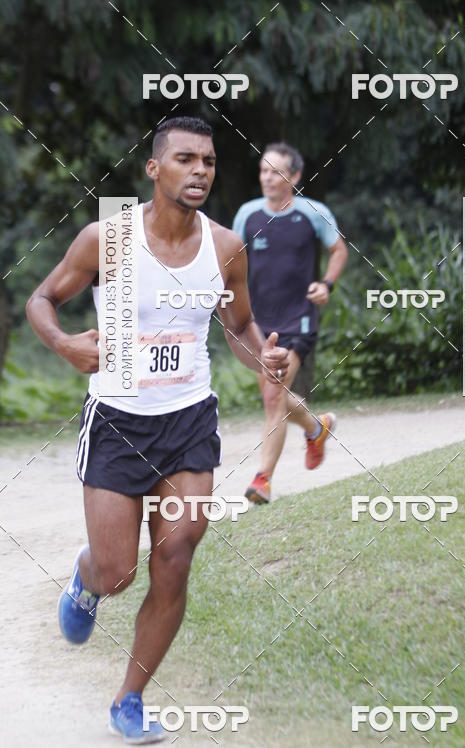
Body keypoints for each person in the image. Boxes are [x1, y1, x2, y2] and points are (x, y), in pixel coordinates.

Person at [26, 116, 289, 743]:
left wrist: (266, 359)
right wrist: (65, 345)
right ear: (154, 169)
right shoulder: (107, 239)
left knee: (176, 555)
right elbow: (42, 299)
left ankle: (130, 699)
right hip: (117, 420)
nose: (199, 171)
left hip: (188, 420)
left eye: (209, 161)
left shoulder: (226, 248)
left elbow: (239, 327)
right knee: (118, 571)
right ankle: (86, 581)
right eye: (185, 159)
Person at [232, 142, 348, 505]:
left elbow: (338, 250)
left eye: (276, 171)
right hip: (257, 323)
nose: (268, 178)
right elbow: (232, 260)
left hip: (297, 319)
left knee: (273, 396)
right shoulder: (247, 214)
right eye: (264, 170)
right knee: (275, 396)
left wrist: (325, 284)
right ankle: (316, 427)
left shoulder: (313, 212)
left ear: (295, 177)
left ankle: (262, 479)